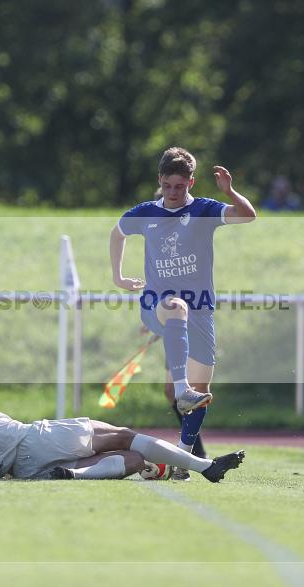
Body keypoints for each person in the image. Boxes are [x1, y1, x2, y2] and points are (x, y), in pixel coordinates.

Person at [109, 147, 256, 480]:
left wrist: (230, 191)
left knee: (201, 393)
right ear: (160, 180)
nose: (174, 193)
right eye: (169, 186)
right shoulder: (146, 212)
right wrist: (118, 277)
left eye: (181, 186)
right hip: (157, 305)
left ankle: (184, 461)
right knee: (176, 308)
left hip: (201, 311)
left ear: (192, 182)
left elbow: (249, 215)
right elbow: (117, 233)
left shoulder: (204, 209)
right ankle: (180, 389)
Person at [0, 362, 245, 482]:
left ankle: (73, 475)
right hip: (33, 440)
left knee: (134, 461)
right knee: (122, 435)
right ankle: (205, 467)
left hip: (25, 467)